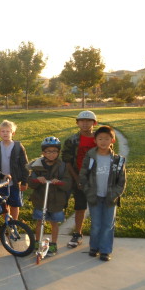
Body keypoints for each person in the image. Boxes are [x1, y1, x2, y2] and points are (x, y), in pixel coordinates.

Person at [79, 126, 126, 262]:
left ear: (113, 140)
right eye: (100, 139)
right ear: (95, 140)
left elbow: (121, 181)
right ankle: (94, 247)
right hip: (94, 196)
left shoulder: (118, 160)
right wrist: (88, 191)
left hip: (110, 198)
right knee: (96, 224)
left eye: (107, 139)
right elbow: (83, 175)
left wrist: (115, 194)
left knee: (107, 225)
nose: (103, 141)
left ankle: (105, 250)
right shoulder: (90, 156)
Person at [28, 137, 72, 257]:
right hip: (40, 199)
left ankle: (53, 243)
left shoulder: (62, 166)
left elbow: (68, 183)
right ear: (43, 153)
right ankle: (37, 241)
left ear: (58, 152)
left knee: (54, 222)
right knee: (39, 221)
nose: (51, 154)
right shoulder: (37, 165)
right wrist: (37, 180)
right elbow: (30, 182)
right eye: (48, 151)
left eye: (54, 151)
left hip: (56, 201)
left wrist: (60, 182)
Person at [62, 110, 98, 248]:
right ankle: (78, 233)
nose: (85, 123)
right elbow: (67, 161)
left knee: (97, 206)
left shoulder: (100, 138)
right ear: (77, 123)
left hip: (96, 178)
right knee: (80, 206)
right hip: (79, 178)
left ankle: (98, 235)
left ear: (94, 123)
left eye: (88, 121)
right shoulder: (72, 140)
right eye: (82, 121)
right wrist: (77, 178)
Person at [0, 120, 29, 221]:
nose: (5, 133)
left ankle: (14, 224)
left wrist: (24, 181)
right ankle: (6, 225)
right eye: (3, 131)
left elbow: (25, 164)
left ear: (13, 133)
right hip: (1, 182)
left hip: (15, 182)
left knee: (15, 204)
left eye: (8, 131)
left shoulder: (18, 146)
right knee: (4, 205)